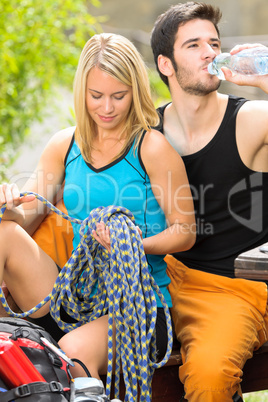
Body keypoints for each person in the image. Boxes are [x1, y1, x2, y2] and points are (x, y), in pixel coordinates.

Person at [0, 33, 196, 381]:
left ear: (134, 91)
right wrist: (7, 205)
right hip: (75, 302)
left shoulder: (151, 148)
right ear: (82, 93)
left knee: (74, 351)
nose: (107, 108)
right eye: (96, 96)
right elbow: (26, 217)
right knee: (4, 233)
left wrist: (133, 242)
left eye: (118, 96)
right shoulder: (64, 144)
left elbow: (186, 231)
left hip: (141, 307)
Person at [151, 2, 268, 402]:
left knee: (209, 378)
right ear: (166, 64)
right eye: (194, 44)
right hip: (160, 277)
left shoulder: (250, 119)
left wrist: (265, 81)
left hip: (231, 290)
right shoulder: (148, 129)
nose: (210, 53)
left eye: (213, 43)